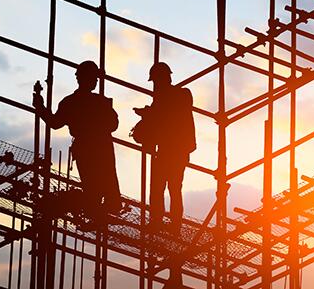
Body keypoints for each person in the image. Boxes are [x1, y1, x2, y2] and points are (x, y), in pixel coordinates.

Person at [33, 60, 121, 222]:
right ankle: (104, 210)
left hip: (85, 148)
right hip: (101, 146)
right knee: (107, 181)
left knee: (92, 184)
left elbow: (54, 123)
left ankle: (95, 211)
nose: (95, 82)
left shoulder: (70, 102)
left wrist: (40, 108)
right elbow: (114, 125)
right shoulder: (99, 101)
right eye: (94, 78)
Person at [134, 62, 196, 233]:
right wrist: (148, 113)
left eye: (155, 82)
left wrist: (148, 113)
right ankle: (160, 222)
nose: (155, 86)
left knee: (171, 188)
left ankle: (170, 224)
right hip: (168, 150)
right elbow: (159, 117)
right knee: (162, 187)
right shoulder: (165, 98)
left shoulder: (181, 94)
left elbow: (167, 115)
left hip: (175, 150)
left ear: (164, 79)